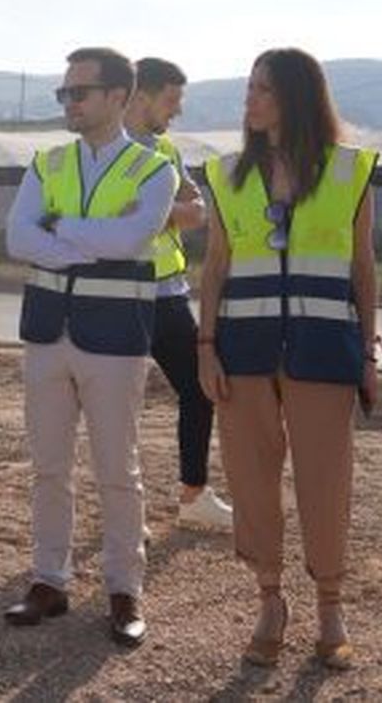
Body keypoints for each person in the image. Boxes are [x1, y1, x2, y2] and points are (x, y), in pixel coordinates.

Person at [196, 47, 379, 672]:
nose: (249, 100)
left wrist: (368, 352)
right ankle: (270, 601)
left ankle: (331, 607)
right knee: (250, 480)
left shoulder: (350, 171)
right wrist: (205, 347)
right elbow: (215, 267)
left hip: (324, 348)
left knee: (326, 480)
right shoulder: (226, 175)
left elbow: (363, 268)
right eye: (248, 87)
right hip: (242, 350)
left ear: (297, 96)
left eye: (263, 89)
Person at [2, 47, 176, 648]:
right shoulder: (47, 163)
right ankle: (48, 580)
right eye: (65, 93)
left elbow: (132, 240)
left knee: (117, 470)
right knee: (48, 467)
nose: (69, 102)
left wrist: (58, 226)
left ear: (118, 97)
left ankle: (124, 590)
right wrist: (90, 240)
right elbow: (16, 237)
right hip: (48, 333)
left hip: (115, 339)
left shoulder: (153, 170)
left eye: (79, 92)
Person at [124, 57, 234, 531]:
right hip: (119, 293)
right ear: (140, 96)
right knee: (119, 404)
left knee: (199, 386)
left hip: (167, 294)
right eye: (171, 100)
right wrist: (171, 211)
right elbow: (114, 214)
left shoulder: (166, 149)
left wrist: (156, 211)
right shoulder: (107, 149)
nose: (177, 111)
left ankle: (193, 495)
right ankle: (126, 509)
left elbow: (198, 209)